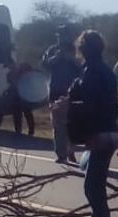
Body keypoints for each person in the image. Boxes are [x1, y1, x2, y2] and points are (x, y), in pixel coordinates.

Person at [67, 30, 118, 217]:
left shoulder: (94, 72)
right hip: (104, 131)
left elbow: (91, 105)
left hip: (101, 133)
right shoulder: (98, 70)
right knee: (93, 180)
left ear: (83, 49)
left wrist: (67, 106)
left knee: (93, 187)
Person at [42, 25, 81, 164]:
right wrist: (57, 57)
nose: (62, 37)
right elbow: (45, 64)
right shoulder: (52, 50)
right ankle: (61, 154)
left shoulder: (77, 50)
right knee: (58, 124)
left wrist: (71, 59)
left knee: (72, 123)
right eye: (60, 35)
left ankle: (71, 150)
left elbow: (82, 68)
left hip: (73, 92)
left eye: (64, 35)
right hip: (56, 91)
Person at [6, 61, 35, 136]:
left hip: (24, 94)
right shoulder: (10, 74)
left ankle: (31, 130)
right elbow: (11, 83)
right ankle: (18, 130)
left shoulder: (23, 68)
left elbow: (29, 78)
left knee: (27, 113)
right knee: (17, 113)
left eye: (9, 66)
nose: (9, 68)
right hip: (17, 95)